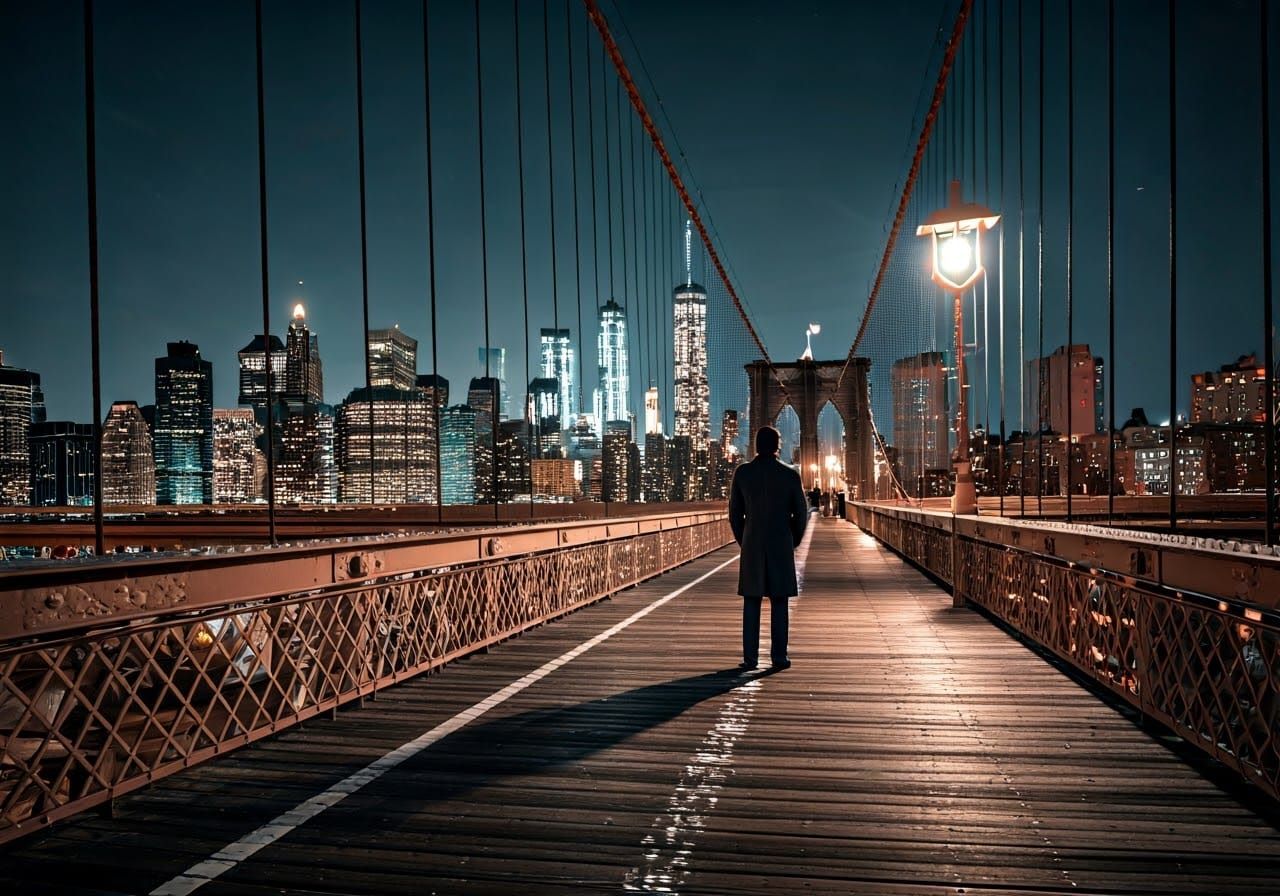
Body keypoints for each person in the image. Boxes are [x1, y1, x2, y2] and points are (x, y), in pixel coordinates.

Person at [728, 425, 809, 671]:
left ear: (755, 445)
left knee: (751, 602)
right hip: (780, 544)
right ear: (777, 446)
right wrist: (792, 539)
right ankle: (779, 658)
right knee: (780, 602)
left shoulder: (742, 474)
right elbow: (801, 514)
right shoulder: (790, 475)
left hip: (753, 544)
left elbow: (734, 515)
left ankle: (750, 659)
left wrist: (746, 540)